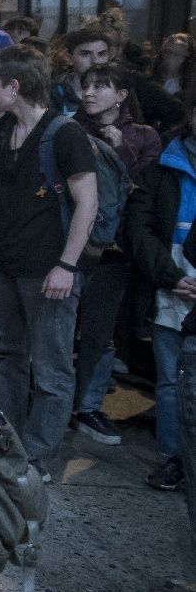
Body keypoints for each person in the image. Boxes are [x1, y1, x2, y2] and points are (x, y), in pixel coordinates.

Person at [0, 45, 97, 473]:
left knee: (50, 368)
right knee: (5, 357)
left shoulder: (64, 134)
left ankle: (40, 456)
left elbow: (87, 204)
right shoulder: (3, 130)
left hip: (48, 268)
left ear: (14, 86)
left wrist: (67, 266)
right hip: (1, 262)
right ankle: (11, 446)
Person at [68, 64, 160, 449]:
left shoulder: (143, 136)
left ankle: (88, 406)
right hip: (69, 247)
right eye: (86, 86)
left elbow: (144, 191)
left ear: (121, 94)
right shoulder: (69, 129)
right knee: (58, 330)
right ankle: (55, 403)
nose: (89, 93)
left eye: (100, 87)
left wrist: (118, 145)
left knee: (99, 334)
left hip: (114, 251)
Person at [126, 105, 196, 492]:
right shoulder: (160, 170)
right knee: (171, 380)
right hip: (171, 286)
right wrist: (170, 276)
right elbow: (139, 228)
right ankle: (173, 459)